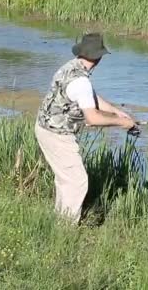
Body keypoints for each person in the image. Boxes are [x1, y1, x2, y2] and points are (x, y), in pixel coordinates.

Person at [35, 32, 137, 224]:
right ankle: (66, 229)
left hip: (44, 128)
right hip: (57, 134)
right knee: (77, 181)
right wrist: (124, 123)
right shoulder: (81, 81)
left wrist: (116, 112)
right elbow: (92, 118)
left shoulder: (70, 67)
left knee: (65, 178)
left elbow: (91, 98)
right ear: (98, 58)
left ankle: (60, 220)